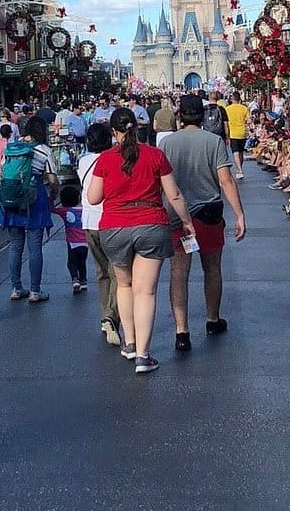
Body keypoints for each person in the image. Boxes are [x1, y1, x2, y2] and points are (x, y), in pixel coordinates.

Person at [87, 107, 196, 374]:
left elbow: (93, 198)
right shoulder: (155, 155)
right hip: (151, 224)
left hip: (114, 227)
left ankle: (130, 343)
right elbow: (174, 194)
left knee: (124, 286)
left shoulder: (105, 159)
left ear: (113, 132)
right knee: (145, 291)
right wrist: (187, 221)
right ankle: (143, 356)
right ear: (137, 127)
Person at [160, 93, 246, 352]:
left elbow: (160, 184)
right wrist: (239, 214)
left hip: (178, 216)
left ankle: (181, 331)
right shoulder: (213, 141)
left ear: (179, 116)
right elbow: (225, 180)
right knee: (212, 268)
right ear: (203, 115)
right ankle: (212, 319)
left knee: (178, 273)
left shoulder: (166, 144)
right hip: (208, 214)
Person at [0, 114, 57, 303]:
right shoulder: (45, 150)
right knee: (34, 247)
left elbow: (2, 172)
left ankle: (16, 288)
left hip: (12, 199)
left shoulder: (12, 148)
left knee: (15, 245)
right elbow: (52, 178)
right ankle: (35, 291)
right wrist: (54, 194)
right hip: (34, 200)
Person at [79, 122, 120, 346]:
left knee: (101, 271)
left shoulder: (83, 161)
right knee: (117, 272)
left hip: (88, 221)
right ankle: (112, 315)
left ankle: (106, 314)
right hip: (109, 219)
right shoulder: (113, 159)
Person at [51, 185, 88, 293]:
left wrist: (51, 198)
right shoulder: (84, 210)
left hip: (72, 243)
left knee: (71, 262)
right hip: (85, 243)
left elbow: (52, 209)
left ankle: (75, 279)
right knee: (82, 262)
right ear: (78, 198)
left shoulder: (64, 211)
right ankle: (83, 281)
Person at [225, 91, 251, 179]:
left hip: (233, 133)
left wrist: (226, 135)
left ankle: (239, 170)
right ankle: (239, 169)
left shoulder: (227, 109)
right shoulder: (244, 108)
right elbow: (249, 120)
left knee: (235, 153)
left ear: (232, 99)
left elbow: (226, 122)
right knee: (241, 152)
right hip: (242, 132)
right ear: (239, 99)